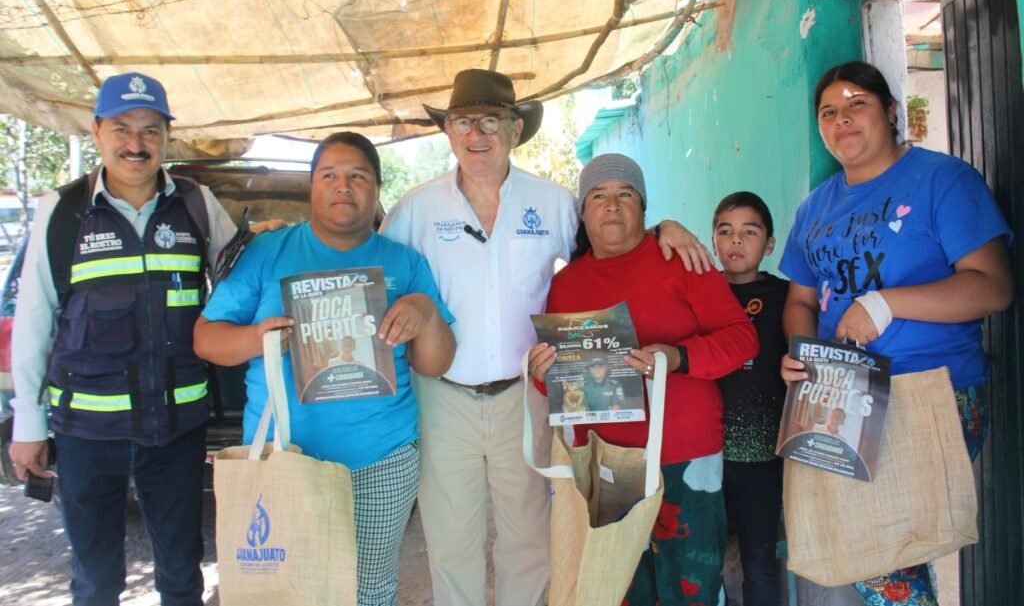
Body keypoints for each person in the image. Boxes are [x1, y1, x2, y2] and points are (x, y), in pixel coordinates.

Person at [380, 69, 713, 606]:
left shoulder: (552, 201)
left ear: (515, 130)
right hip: (442, 396)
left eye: (491, 121)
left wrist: (661, 230)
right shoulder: (416, 209)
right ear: (448, 132)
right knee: (449, 538)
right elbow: (381, 280)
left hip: (526, 393)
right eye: (464, 122)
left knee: (529, 537)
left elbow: (610, 249)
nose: (477, 134)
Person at [779, 61, 1013, 606]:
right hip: (836, 394)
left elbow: (994, 287)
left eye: (856, 103)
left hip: (929, 387)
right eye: (828, 112)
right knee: (849, 545)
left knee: (883, 542)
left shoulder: (942, 179)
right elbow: (800, 299)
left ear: (889, 111)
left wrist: (886, 304)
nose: (842, 119)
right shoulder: (815, 207)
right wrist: (800, 353)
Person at [194, 132, 455, 606]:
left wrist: (425, 310)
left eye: (358, 176)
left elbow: (434, 364)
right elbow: (206, 338)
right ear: (311, 186)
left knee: (370, 589)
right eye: (329, 175)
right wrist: (258, 338)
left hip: (382, 456)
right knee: (287, 588)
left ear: (377, 188)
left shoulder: (404, 263)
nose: (344, 186)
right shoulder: (267, 253)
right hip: (285, 456)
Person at [8, 72, 239, 606]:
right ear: (97, 131)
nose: (136, 145)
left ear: (165, 137)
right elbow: (35, 323)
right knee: (95, 582)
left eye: (151, 130)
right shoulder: (61, 212)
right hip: (87, 435)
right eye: (122, 128)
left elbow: (243, 281)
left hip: (176, 432)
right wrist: (28, 423)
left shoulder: (196, 205)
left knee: (183, 576)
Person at [529, 153, 759, 606]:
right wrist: (543, 375)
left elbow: (742, 340)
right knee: (622, 587)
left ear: (644, 207)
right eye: (599, 195)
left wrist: (679, 357)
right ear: (583, 211)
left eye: (625, 194)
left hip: (686, 458)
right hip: (610, 460)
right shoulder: (566, 284)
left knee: (693, 585)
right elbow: (563, 380)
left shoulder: (682, 260)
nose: (612, 205)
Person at [712, 191, 789, 606]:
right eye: (725, 231)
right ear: (713, 241)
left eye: (749, 232)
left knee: (760, 561)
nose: (736, 241)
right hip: (707, 458)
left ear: (769, 244)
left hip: (764, 457)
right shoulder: (702, 293)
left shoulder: (787, 297)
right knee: (705, 561)